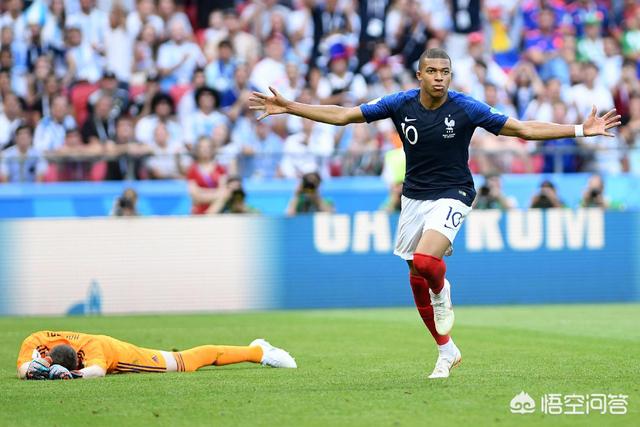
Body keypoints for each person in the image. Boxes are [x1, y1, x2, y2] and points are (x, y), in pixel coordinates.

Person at [249, 47, 622, 379]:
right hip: (414, 197)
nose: (439, 78)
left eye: (445, 72)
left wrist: (580, 129)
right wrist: (291, 106)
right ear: (419, 75)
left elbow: (522, 128)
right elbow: (345, 115)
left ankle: (443, 292)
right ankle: (446, 350)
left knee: (427, 262)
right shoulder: (400, 104)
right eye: (432, 71)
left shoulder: (466, 107)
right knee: (415, 274)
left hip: (455, 192)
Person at [17, 330, 296, 380]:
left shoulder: (92, 348)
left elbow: (97, 371)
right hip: (72, 359)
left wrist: (72, 376)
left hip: (126, 355)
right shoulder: (35, 340)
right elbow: (23, 368)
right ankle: (257, 349)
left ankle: (259, 351)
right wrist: (31, 370)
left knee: (187, 362)